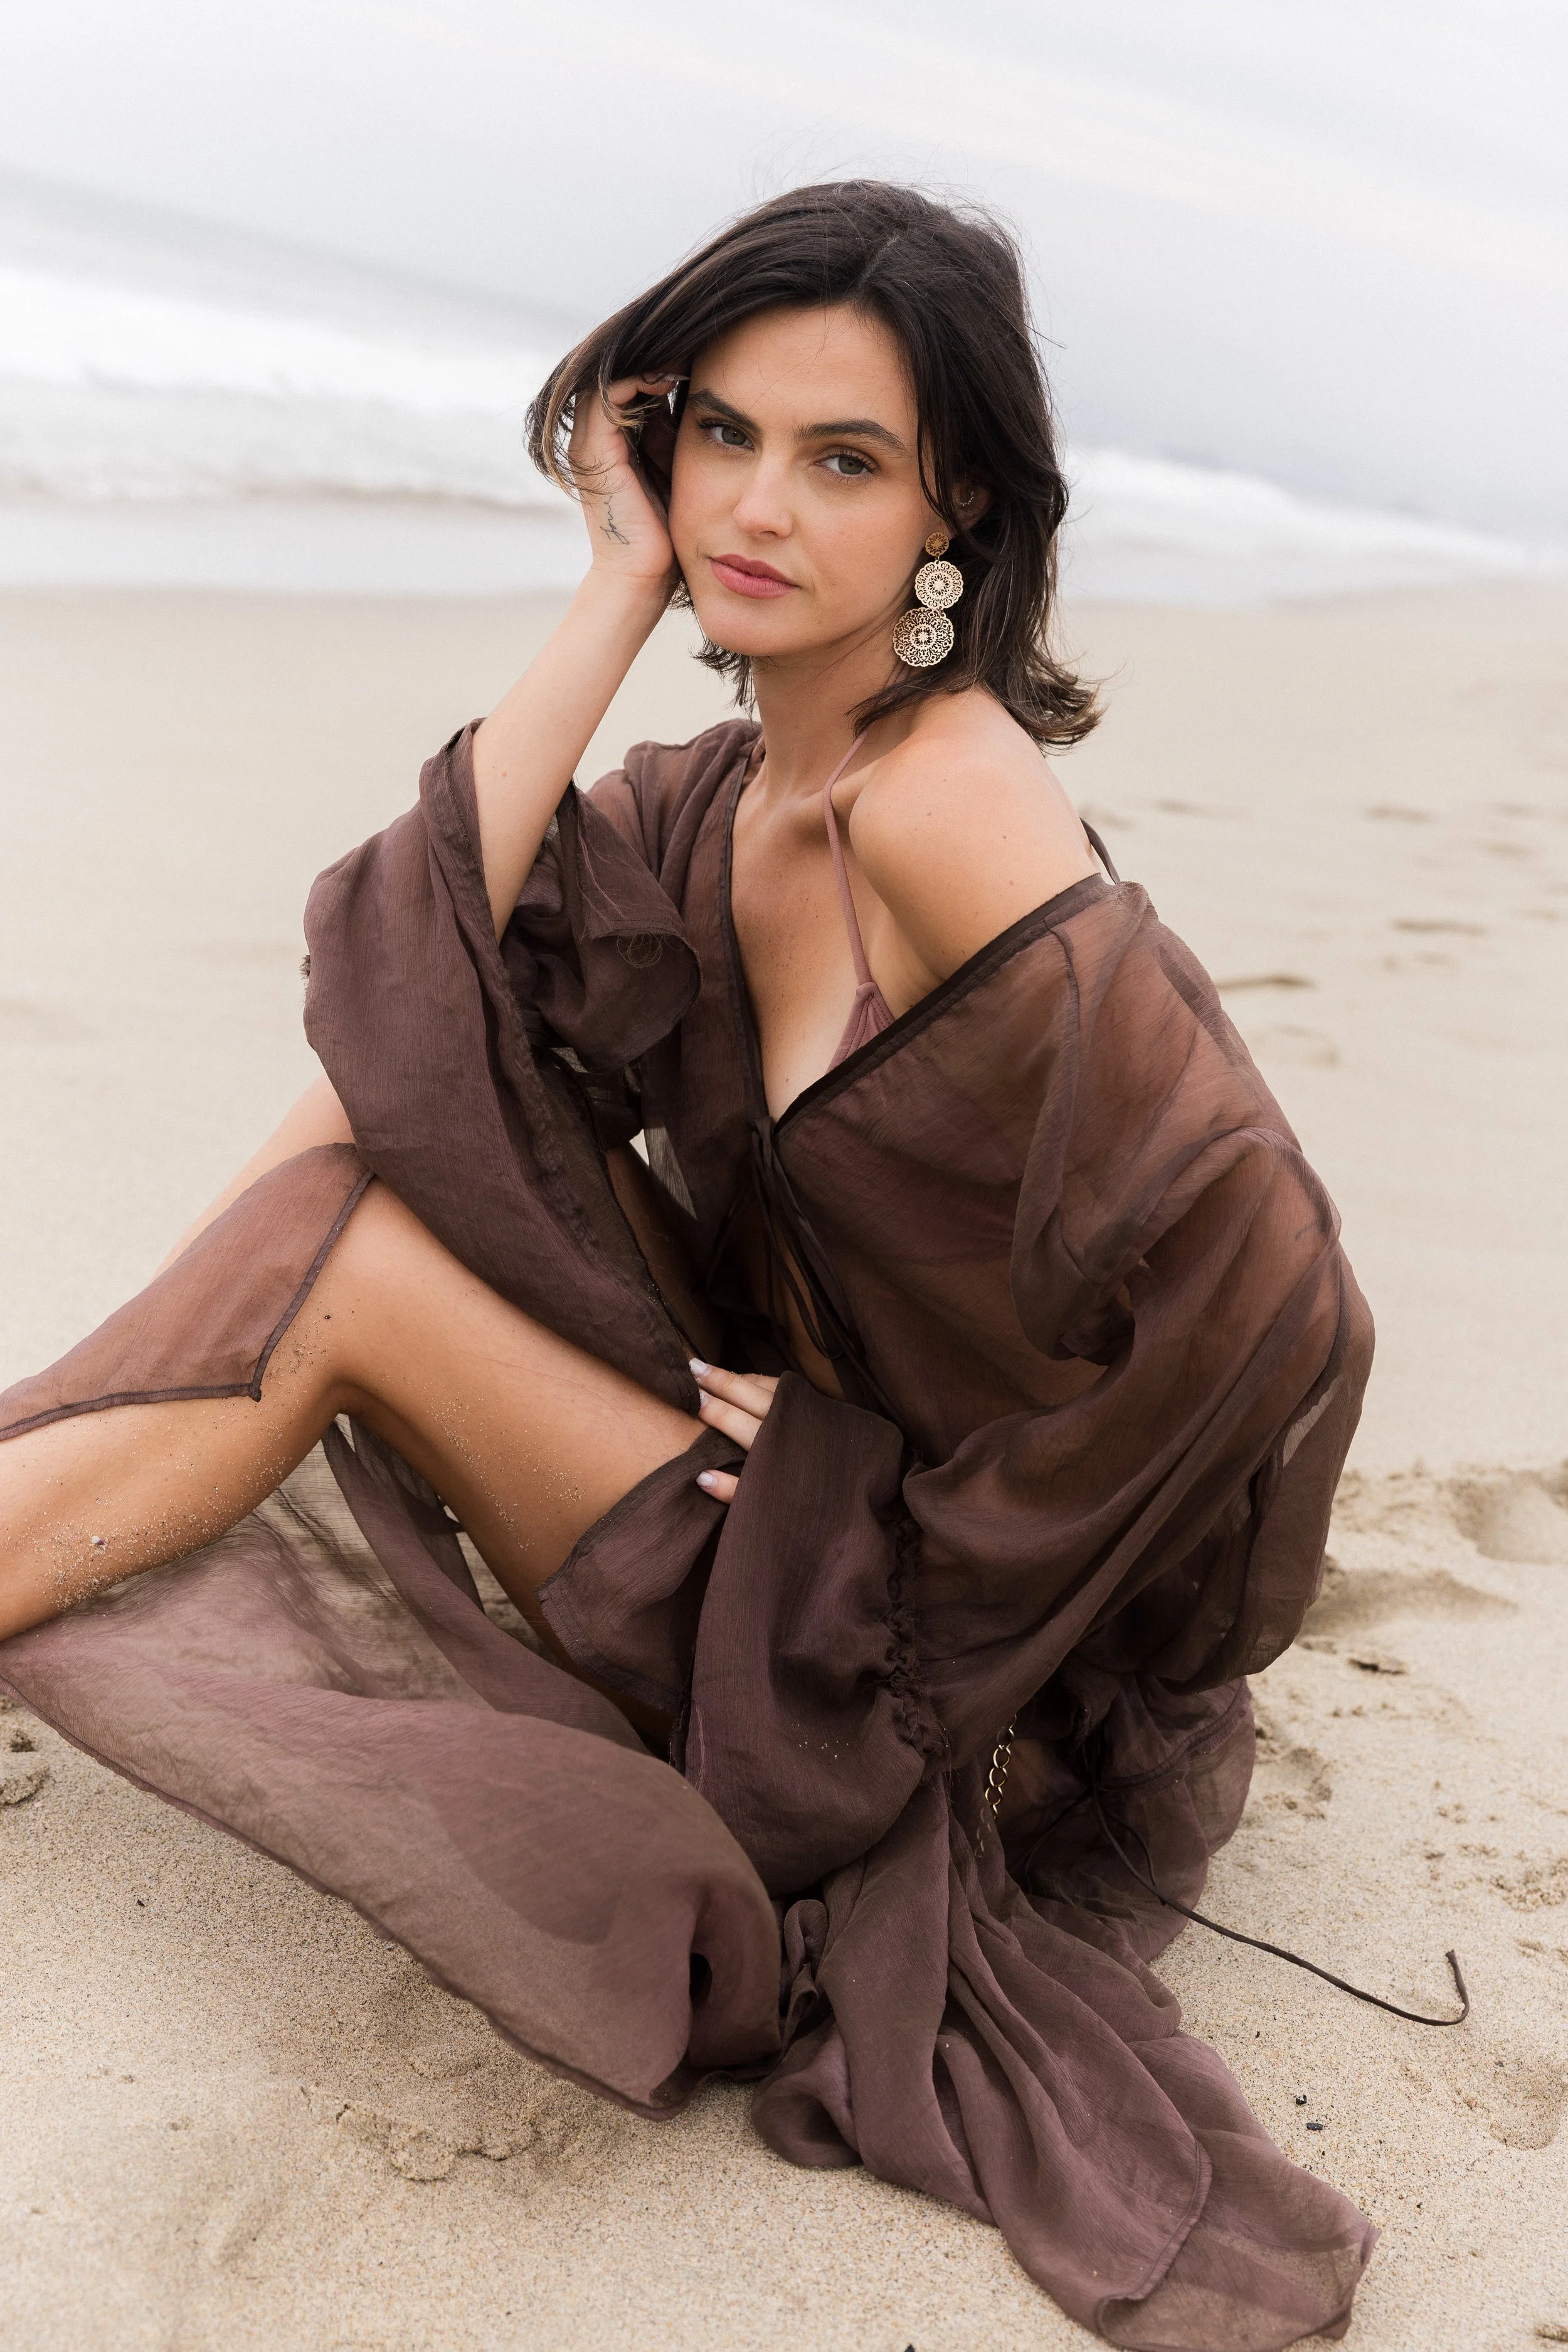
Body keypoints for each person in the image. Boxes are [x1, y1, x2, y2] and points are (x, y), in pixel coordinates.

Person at [0, 183, 1377, 2346]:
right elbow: (417, 962)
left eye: (843, 460)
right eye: (721, 434)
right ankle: (83, 1447)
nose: (757, 501)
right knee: (390, 1114)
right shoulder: (735, 787)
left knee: (348, 1252)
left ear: (960, 509)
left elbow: (1272, 1285)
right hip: (771, 1539)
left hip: (877, 1668)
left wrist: (910, 1527)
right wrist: (612, 583)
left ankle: (74, 1462)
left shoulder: (946, 802)